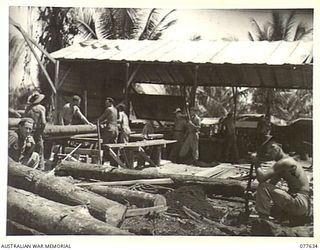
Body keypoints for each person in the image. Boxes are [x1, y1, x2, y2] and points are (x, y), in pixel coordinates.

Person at [253, 135, 310, 225]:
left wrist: (256, 164)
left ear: (280, 146)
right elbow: (272, 183)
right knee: (270, 204)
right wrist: (256, 195)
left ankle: (263, 221)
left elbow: (261, 179)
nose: (270, 151)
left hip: (299, 201)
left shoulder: (283, 162)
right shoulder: (284, 164)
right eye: (267, 150)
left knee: (263, 187)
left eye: (272, 147)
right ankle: (287, 219)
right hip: (301, 203)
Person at [24, 91, 46, 169]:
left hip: (28, 131)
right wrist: (42, 131)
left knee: (28, 148)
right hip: (37, 131)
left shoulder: (28, 108)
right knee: (39, 148)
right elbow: (43, 122)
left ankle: (27, 166)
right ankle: (40, 168)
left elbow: (23, 119)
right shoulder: (41, 108)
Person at [97, 97, 119, 164]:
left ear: (111, 102)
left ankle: (102, 161)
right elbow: (111, 118)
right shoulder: (115, 110)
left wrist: (97, 121)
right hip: (116, 129)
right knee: (113, 146)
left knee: (105, 145)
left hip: (110, 129)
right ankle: (114, 162)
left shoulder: (108, 109)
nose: (106, 104)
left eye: (107, 103)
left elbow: (102, 117)